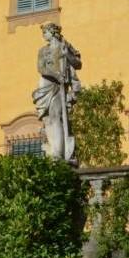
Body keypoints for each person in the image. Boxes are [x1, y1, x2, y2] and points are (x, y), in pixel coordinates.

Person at [32, 23, 82, 163]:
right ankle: (53, 151)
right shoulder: (43, 50)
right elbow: (41, 68)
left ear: (52, 32)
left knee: (56, 116)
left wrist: (67, 55)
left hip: (60, 87)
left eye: (45, 33)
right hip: (46, 84)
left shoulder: (65, 45)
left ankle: (58, 153)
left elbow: (78, 63)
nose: (44, 36)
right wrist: (56, 75)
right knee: (47, 118)